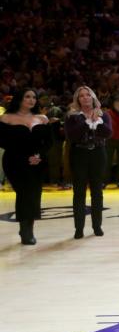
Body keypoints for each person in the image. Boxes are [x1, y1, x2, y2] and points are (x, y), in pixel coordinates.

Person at [0, 88, 51, 245]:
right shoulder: (5, 118)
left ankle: (28, 228)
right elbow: (2, 142)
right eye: (27, 97)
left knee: (35, 193)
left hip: (37, 162)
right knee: (24, 192)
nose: (31, 100)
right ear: (19, 99)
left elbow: (49, 142)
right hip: (15, 161)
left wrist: (38, 156)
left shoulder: (42, 118)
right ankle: (25, 230)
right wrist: (24, 156)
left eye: (34, 97)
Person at [64, 86, 112, 239]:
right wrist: (86, 122)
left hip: (98, 154)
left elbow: (108, 133)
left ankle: (97, 226)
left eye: (88, 95)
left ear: (93, 97)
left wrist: (98, 122)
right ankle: (79, 228)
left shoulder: (103, 114)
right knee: (79, 192)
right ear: (77, 99)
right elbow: (72, 136)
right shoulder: (72, 116)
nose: (85, 98)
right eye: (81, 96)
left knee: (97, 191)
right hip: (79, 154)